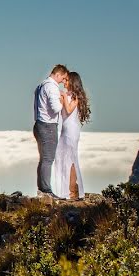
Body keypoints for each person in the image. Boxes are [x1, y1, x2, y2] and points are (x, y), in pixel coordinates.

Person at [53, 71, 91, 200]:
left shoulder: (75, 96)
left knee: (71, 159)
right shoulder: (67, 94)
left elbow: (69, 110)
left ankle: (73, 191)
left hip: (72, 130)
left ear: (73, 82)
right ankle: (65, 190)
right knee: (62, 158)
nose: (64, 82)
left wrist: (63, 98)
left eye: (67, 80)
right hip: (65, 129)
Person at [33, 65, 69, 198]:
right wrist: (62, 100)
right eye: (63, 78)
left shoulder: (41, 85)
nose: (62, 82)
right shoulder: (52, 87)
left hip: (39, 124)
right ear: (58, 74)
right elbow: (55, 109)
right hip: (47, 125)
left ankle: (42, 189)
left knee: (43, 159)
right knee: (48, 159)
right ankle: (46, 191)